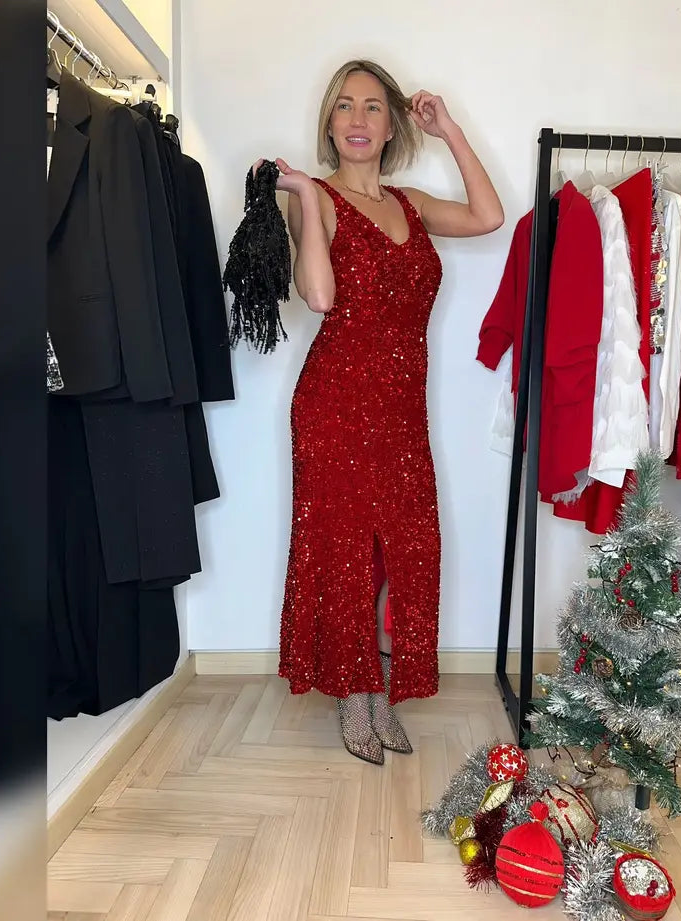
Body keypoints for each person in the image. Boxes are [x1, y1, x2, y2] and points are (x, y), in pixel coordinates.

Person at [261, 58, 503, 764]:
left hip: (400, 412)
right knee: (345, 554)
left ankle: (378, 688)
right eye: (344, 106)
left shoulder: (411, 202)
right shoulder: (316, 198)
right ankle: (355, 697)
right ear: (329, 124)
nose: (358, 119)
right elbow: (318, 296)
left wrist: (449, 129)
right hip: (333, 403)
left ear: (392, 123)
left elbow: (488, 216)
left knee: (404, 549)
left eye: (372, 106)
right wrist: (308, 198)